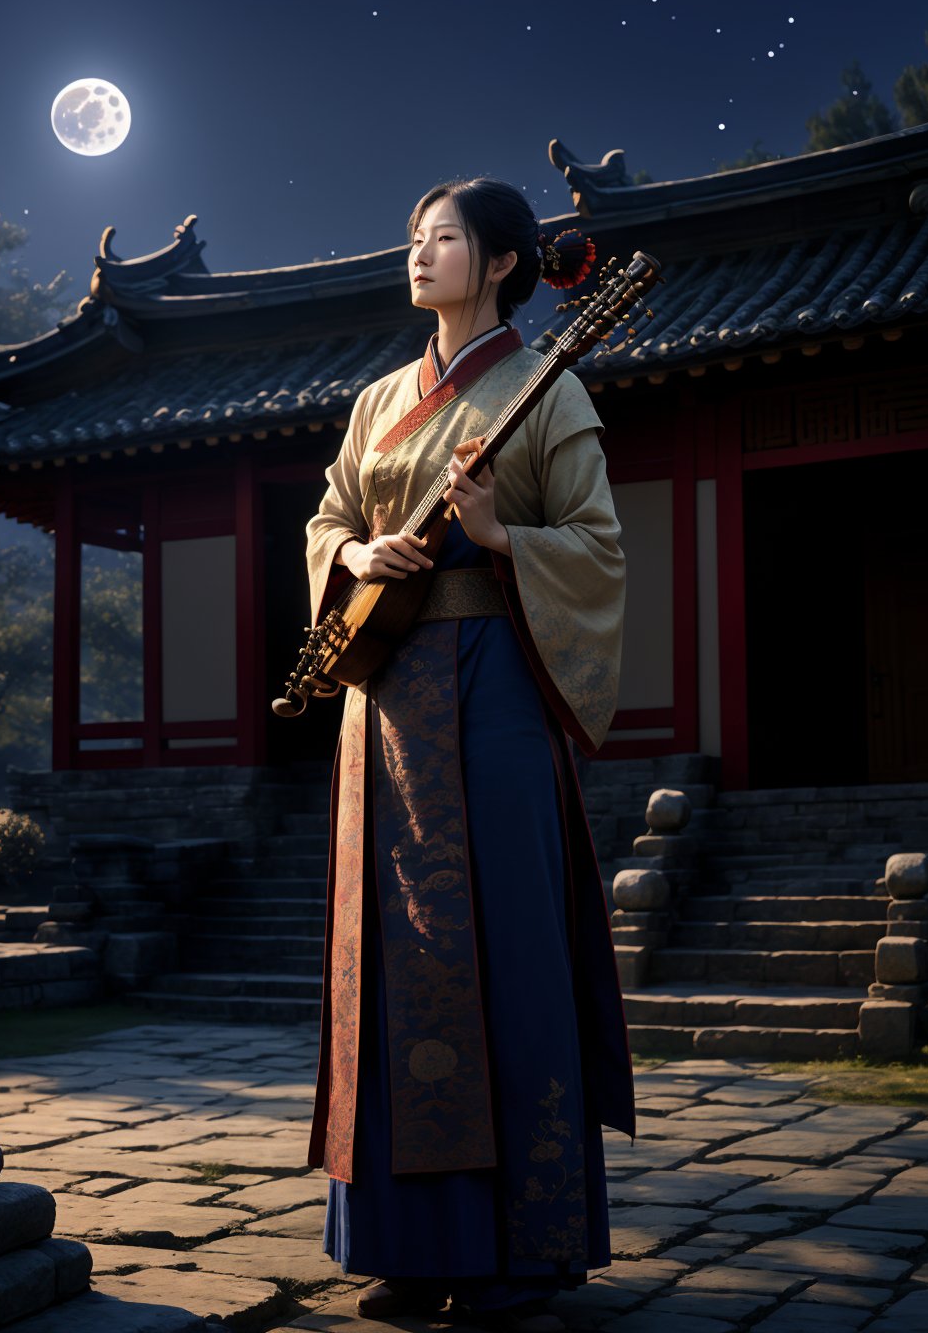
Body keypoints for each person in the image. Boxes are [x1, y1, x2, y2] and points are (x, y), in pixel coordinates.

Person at [305, 177, 636, 1332]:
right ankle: (404, 1242)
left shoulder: (548, 387)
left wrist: (499, 537)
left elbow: (596, 545)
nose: (419, 254)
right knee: (392, 955)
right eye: (412, 239)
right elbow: (327, 515)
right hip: (388, 700)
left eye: (442, 238)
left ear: (502, 262)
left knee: (500, 949)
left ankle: (516, 1250)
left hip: (493, 689)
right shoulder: (379, 399)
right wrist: (355, 557)